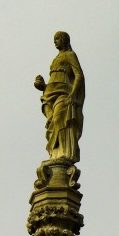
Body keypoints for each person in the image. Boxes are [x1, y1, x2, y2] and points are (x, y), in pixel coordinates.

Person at [34, 31, 85, 163]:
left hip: (64, 93)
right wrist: (43, 86)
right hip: (49, 95)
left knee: (59, 120)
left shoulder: (70, 55)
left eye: (57, 38)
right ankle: (55, 153)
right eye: (54, 39)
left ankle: (64, 152)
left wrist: (73, 95)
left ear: (64, 40)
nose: (55, 41)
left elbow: (78, 75)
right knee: (52, 123)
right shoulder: (55, 58)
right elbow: (55, 79)